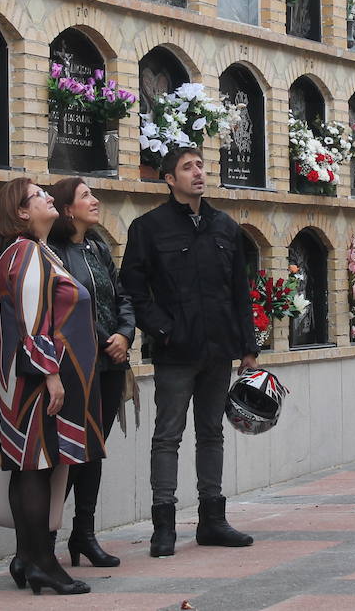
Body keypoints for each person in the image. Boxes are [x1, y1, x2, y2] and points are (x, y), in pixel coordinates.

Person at [119, 146, 260, 558]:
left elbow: (239, 292)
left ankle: (212, 521)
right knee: (167, 437)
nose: (198, 173)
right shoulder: (148, 229)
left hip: (218, 351)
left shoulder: (225, 227)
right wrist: (164, 329)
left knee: (212, 434)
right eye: (187, 167)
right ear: (169, 179)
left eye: (200, 165)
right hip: (175, 353)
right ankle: (163, 525)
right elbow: (132, 288)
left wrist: (247, 348)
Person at [0, 177, 104, 596]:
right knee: (36, 467)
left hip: (27, 377)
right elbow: (32, 319)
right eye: (39, 195)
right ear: (21, 212)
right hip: (37, 379)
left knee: (29, 469)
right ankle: (43, 564)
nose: (49, 197)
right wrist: (52, 375)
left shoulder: (33, 251)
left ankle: (27, 557)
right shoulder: (27, 253)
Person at [48, 177, 136, 568]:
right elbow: (70, 308)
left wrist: (125, 333)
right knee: (70, 453)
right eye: (86, 196)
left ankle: (84, 533)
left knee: (94, 452)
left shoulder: (98, 248)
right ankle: (43, 538)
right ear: (67, 208)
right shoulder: (54, 253)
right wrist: (106, 339)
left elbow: (122, 295)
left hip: (111, 365)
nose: (95, 201)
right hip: (78, 367)